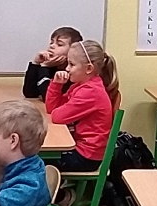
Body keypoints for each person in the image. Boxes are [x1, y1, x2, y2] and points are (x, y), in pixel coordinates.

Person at [44, 40, 118, 173]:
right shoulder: (80, 86)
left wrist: (57, 108)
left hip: (86, 157)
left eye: (71, 64)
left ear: (89, 68)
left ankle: (55, 187)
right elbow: (52, 109)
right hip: (81, 150)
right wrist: (56, 84)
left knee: (34, 160)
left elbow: (57, 116)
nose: (67, 69)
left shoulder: (91, 92)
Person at [23, 26, 82, 99]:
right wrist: (35, 63)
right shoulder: (51, 65)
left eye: (59, 44)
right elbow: (29, 93)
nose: (52, 46)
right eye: (51, 42)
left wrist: (44, 67)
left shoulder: (74, 71)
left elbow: (48, 97)